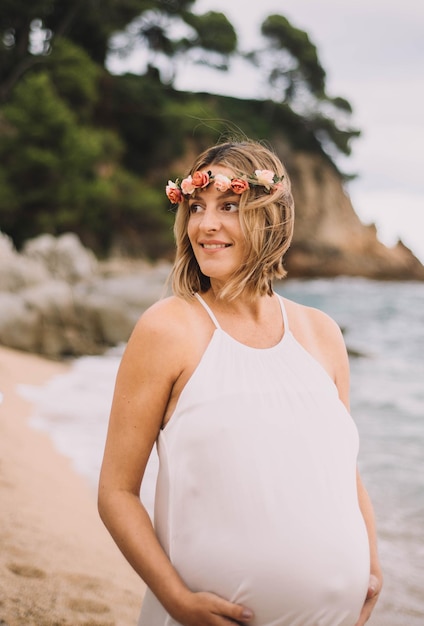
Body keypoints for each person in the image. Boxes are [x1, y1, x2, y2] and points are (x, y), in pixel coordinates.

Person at [98, 140, 383, 626]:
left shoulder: (321, 333)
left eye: (228, 206)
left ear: (271, 217)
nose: (206, 225)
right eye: (197, 207)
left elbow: (342, 469)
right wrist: (176, 601)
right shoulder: (168, 328)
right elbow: (116, 491)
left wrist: (371, 569)